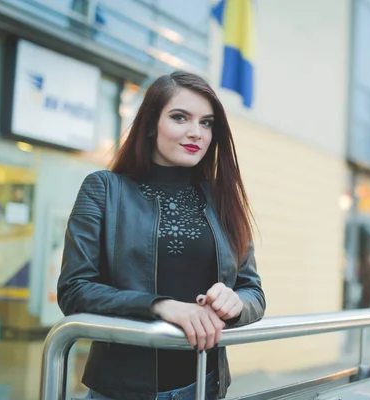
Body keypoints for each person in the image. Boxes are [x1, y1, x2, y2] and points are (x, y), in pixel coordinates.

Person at [57, 70, 266, 400]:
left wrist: (235, 302)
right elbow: (74, 290)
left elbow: (253, 292)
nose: (195, 132)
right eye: (180, 117)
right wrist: (160, 306)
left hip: (204, 386)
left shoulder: (222, 197)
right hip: (120, 391)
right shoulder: (104, 190)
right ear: (151, 124)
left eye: (207, 122)